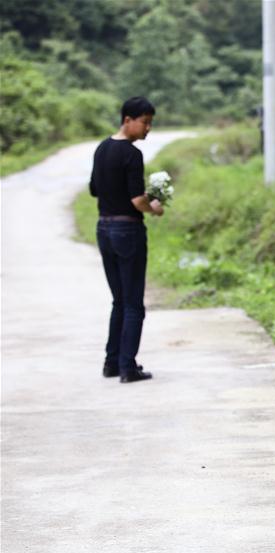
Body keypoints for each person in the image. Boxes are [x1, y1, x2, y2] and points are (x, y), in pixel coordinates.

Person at [89, 97, 163, 383]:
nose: (147, 129)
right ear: (128, 120)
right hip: (128, 232)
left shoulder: (102, 148)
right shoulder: (131, 154)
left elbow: (94, 189)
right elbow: (137, 200)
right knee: (133, 303)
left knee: (119, 300)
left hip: (103, 229)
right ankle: (128, 367)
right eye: (144, 122)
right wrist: (153, 207)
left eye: (150, 123)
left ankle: (112, 363)